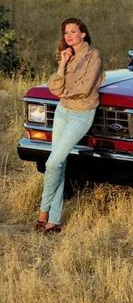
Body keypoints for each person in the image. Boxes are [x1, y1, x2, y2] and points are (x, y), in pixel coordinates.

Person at [36, 18, 104, 234]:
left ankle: (43, 211)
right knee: (59, 164)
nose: (69, 36)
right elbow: (54, 86)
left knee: (52, 163)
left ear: (83, 34)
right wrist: (62, 64)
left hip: (81, 114)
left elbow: (85, 87)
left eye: (73, 31)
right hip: (63, 111)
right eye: (66, 32)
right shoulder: (69, 56)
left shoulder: (94, 56)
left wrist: (66, 91)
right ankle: (54, 222)